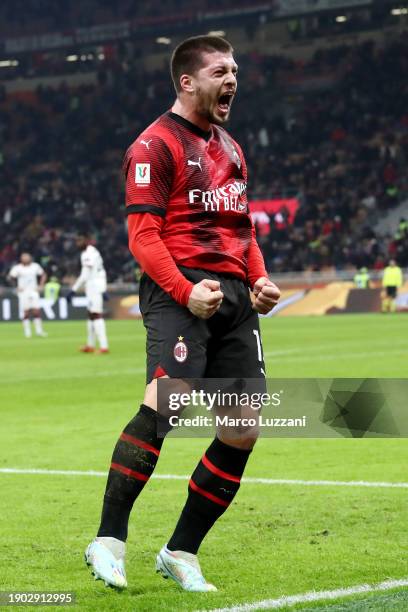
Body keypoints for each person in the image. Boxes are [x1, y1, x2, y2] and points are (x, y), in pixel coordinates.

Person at [84, 35, 280, 592]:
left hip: (236, 303)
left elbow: (242, 232)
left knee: (242, 429)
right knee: (165, 405)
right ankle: (109, 540)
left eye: (236, 69)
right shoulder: (154, 146)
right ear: (188, 81)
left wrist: (259, 277)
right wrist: (185, 290)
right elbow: (142, 239)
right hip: (179, 294)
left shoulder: (233, 148)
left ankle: (180, 552)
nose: (233, 79)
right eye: (221, 70)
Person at [67, 237, 109, 353]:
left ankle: (104, 347)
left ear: (86, 241)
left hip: (94, 286)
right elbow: (101, 271)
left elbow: (85, 275)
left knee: (96, 314)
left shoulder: (88, 254)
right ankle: (90, 345)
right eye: (76, 241)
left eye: (79, 241)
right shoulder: (91, 252)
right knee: (91, 315)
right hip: (93, 286)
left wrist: (73, 290)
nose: (77, 243)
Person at [8, 253, 47, 338]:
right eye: (24, 257)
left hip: (33, 290)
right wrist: (16, 287)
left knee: (36, 311)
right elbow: (10, 277)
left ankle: (39, 331)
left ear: (30, 258)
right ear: (21, 259)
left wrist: (41, 285)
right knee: (26, 312)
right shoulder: (17, 268)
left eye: (27, 257)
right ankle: (27, 332)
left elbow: (43, 275)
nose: (26, 258)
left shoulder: (35, 266)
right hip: (23, 292)